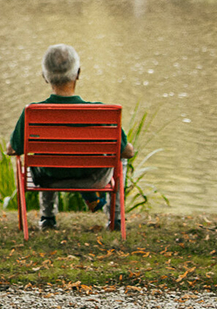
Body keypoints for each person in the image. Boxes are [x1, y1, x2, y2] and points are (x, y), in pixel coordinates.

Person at [7, 43, 134, 230]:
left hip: (48, 179)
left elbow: (12, 150)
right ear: (78, 73)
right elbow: (128, 152)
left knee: (41, 161)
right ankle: (115, 220)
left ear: (45, 77)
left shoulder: (33, 112)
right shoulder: (100, 112)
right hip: (93, 178)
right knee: (120, 159)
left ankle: (47, 218)